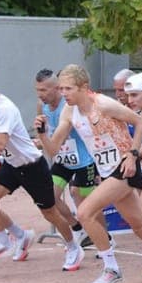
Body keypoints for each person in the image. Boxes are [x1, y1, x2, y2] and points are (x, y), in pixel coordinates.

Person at [44, 65, 142, 283]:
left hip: (124, 169)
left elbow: (140, 121)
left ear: (84, 87)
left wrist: (133, 154)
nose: (63, 93)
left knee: (85, 212)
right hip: (107, 171)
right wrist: (42, 133)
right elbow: (54, 148)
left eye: (68, 88)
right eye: (61, 88)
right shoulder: (69, 111)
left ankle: (111, 269)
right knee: (140, 225)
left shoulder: (103, 104)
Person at [0, 73, 83, 272]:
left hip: (32, 165)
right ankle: (10, 238)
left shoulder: (4, 109)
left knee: (50, 212)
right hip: (12, 164)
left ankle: (73, 246)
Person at [32, 68, 96, 250]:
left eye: (44, 90)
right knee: (49, 196)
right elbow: (47, 131)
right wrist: (42, 138)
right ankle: (76, 227)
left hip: (84, 159)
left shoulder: (69, 105)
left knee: (82, 199)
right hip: (62, 158)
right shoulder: (41, 106)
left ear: (56, 88)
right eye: (37, 90)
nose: (40, 94)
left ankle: (105, 237)